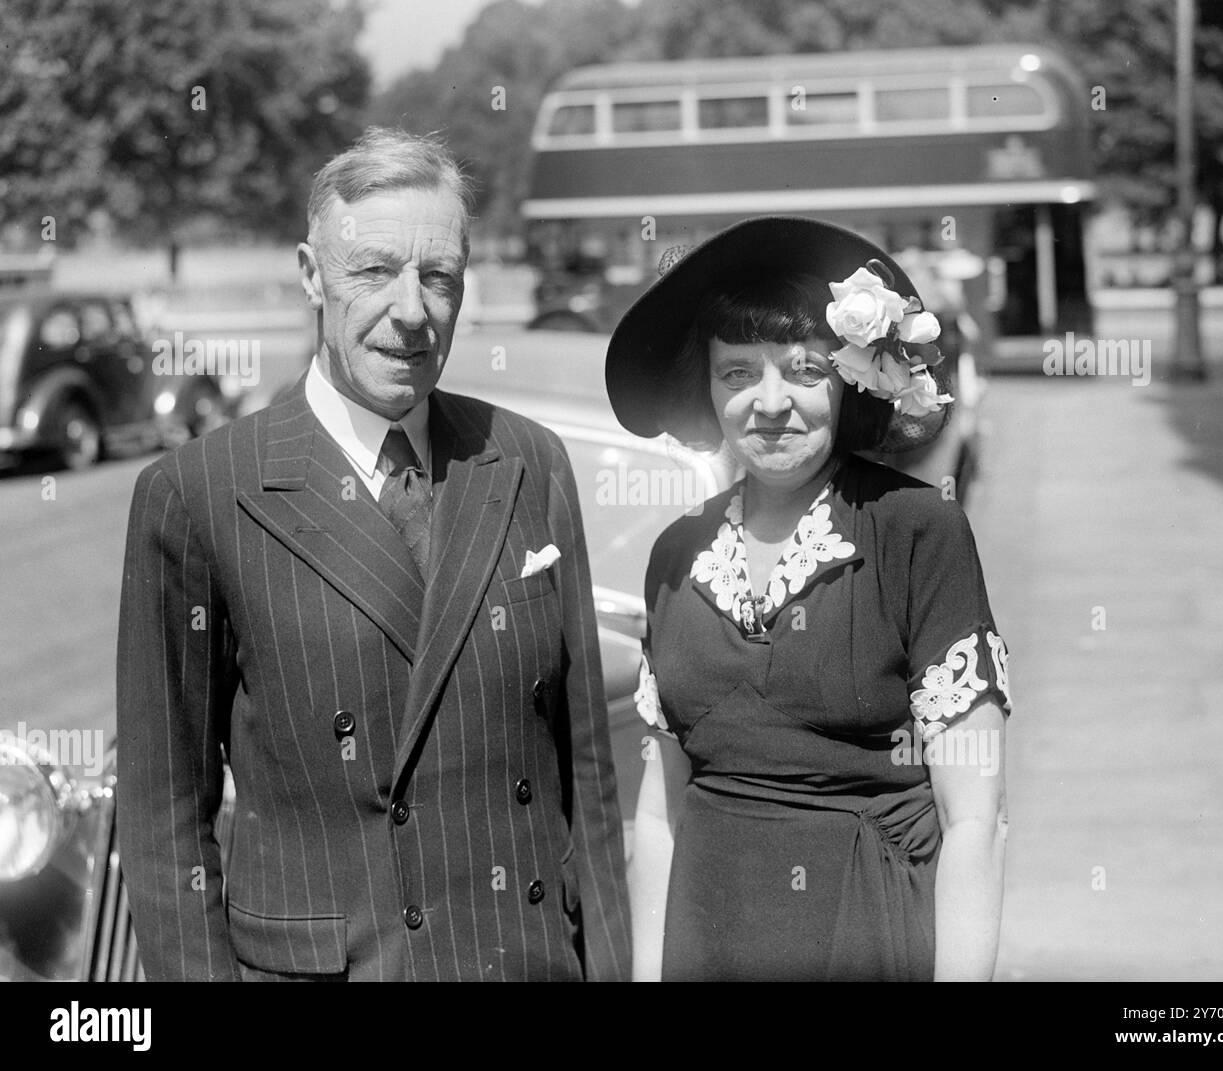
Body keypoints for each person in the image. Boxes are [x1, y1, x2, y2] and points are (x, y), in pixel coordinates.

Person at [116, 128, 631, 981]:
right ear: (312, 276)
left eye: (438, 277)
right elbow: (165, 814)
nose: (411, 309)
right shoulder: (200, 491)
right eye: (373, 271)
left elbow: (588, 774)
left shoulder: (529, 462)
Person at [606, 216, 1012, 982]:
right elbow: (658, 820)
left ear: (847, 381)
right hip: (710, 937)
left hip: (870, 937)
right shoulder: (678, 554)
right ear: (707, 388)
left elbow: (975, 823)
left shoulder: (916, 532)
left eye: (801, 370)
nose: (769, 402)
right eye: (737, 373)